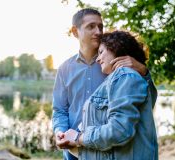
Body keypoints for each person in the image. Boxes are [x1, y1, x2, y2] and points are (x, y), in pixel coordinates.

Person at [52, 8, 148, 160]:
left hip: (104, 150)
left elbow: (143, 97)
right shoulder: (64, 68)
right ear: (75, 31)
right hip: (72, 149)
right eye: (91, 26)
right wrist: (60, 131)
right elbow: (59, 109)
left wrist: (143, 70)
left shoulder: (115, 64)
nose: (98, 31)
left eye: (100, 26)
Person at [64, 30, 158, 160]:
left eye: (101, 52)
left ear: (116, 47)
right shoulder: (117, 79)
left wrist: (78, 138)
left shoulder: (125, 76)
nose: (97, 59)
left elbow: (119, 130)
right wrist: (73, 140)